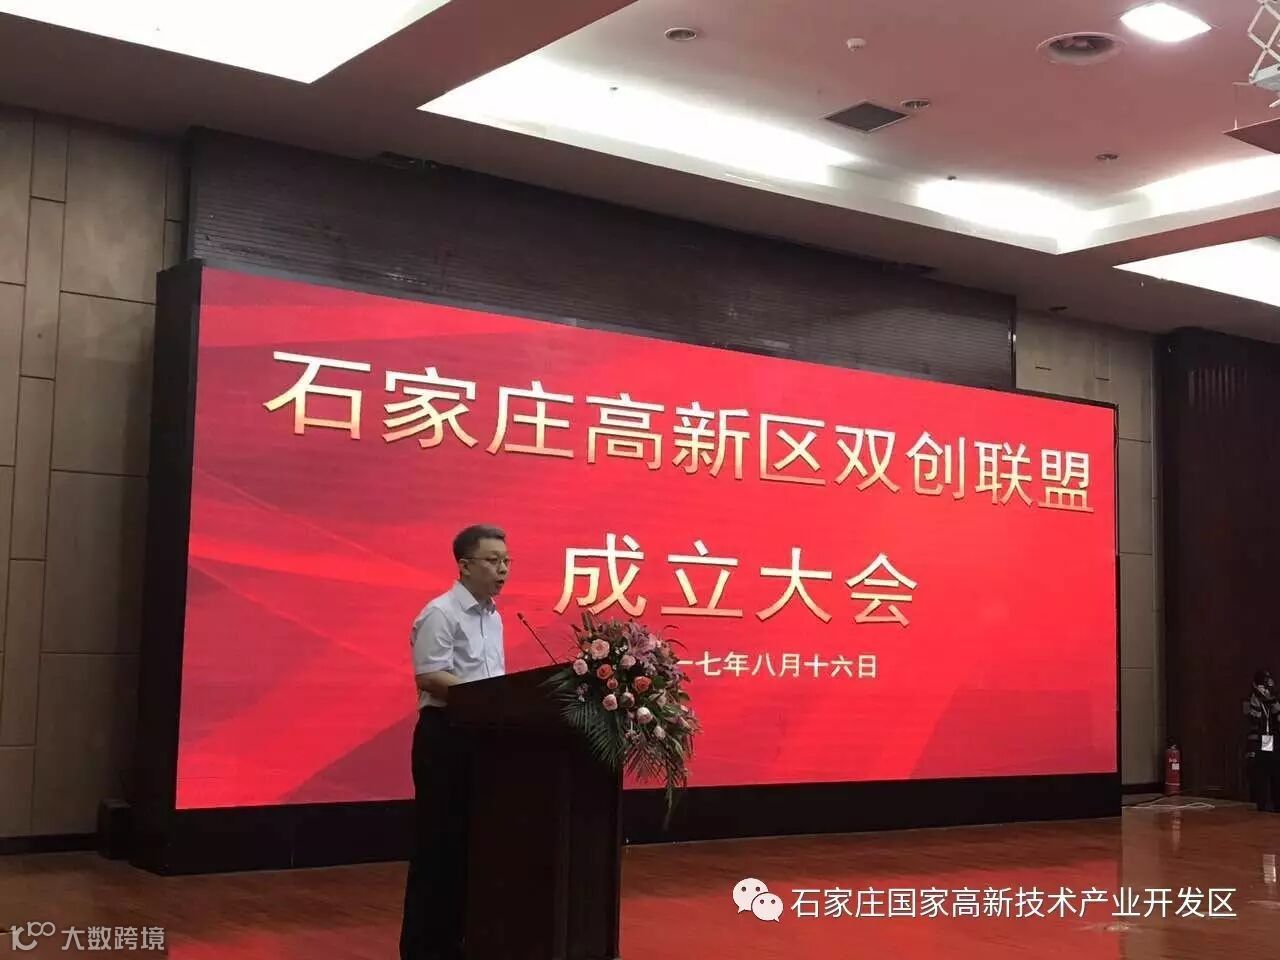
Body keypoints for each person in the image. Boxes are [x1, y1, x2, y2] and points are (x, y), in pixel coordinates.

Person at [399, 524, 509, 960]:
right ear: (464, 565)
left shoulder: (494, 617)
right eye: (493, 561)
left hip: (484, 740)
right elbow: (430, 674)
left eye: (506, 561)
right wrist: (487, 697)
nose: (502, 569)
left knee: (474, 847)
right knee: (439, 845)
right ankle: (425, 948)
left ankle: (465, 939)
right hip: (445, 738)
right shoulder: (440, 613)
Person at [1246, 669, 1280, 813]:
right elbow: (1254, 718)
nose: (1264, 689)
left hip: (1269, 738)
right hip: (1258, 739)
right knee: (1261, 770)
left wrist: (1271, 699)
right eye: (1262, 686)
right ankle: (1263, 803)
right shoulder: (1252, 697)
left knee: (1273, 767)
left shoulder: (1271, 698)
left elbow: (1277, 715)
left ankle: (1276, 802)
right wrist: (1260, 697)